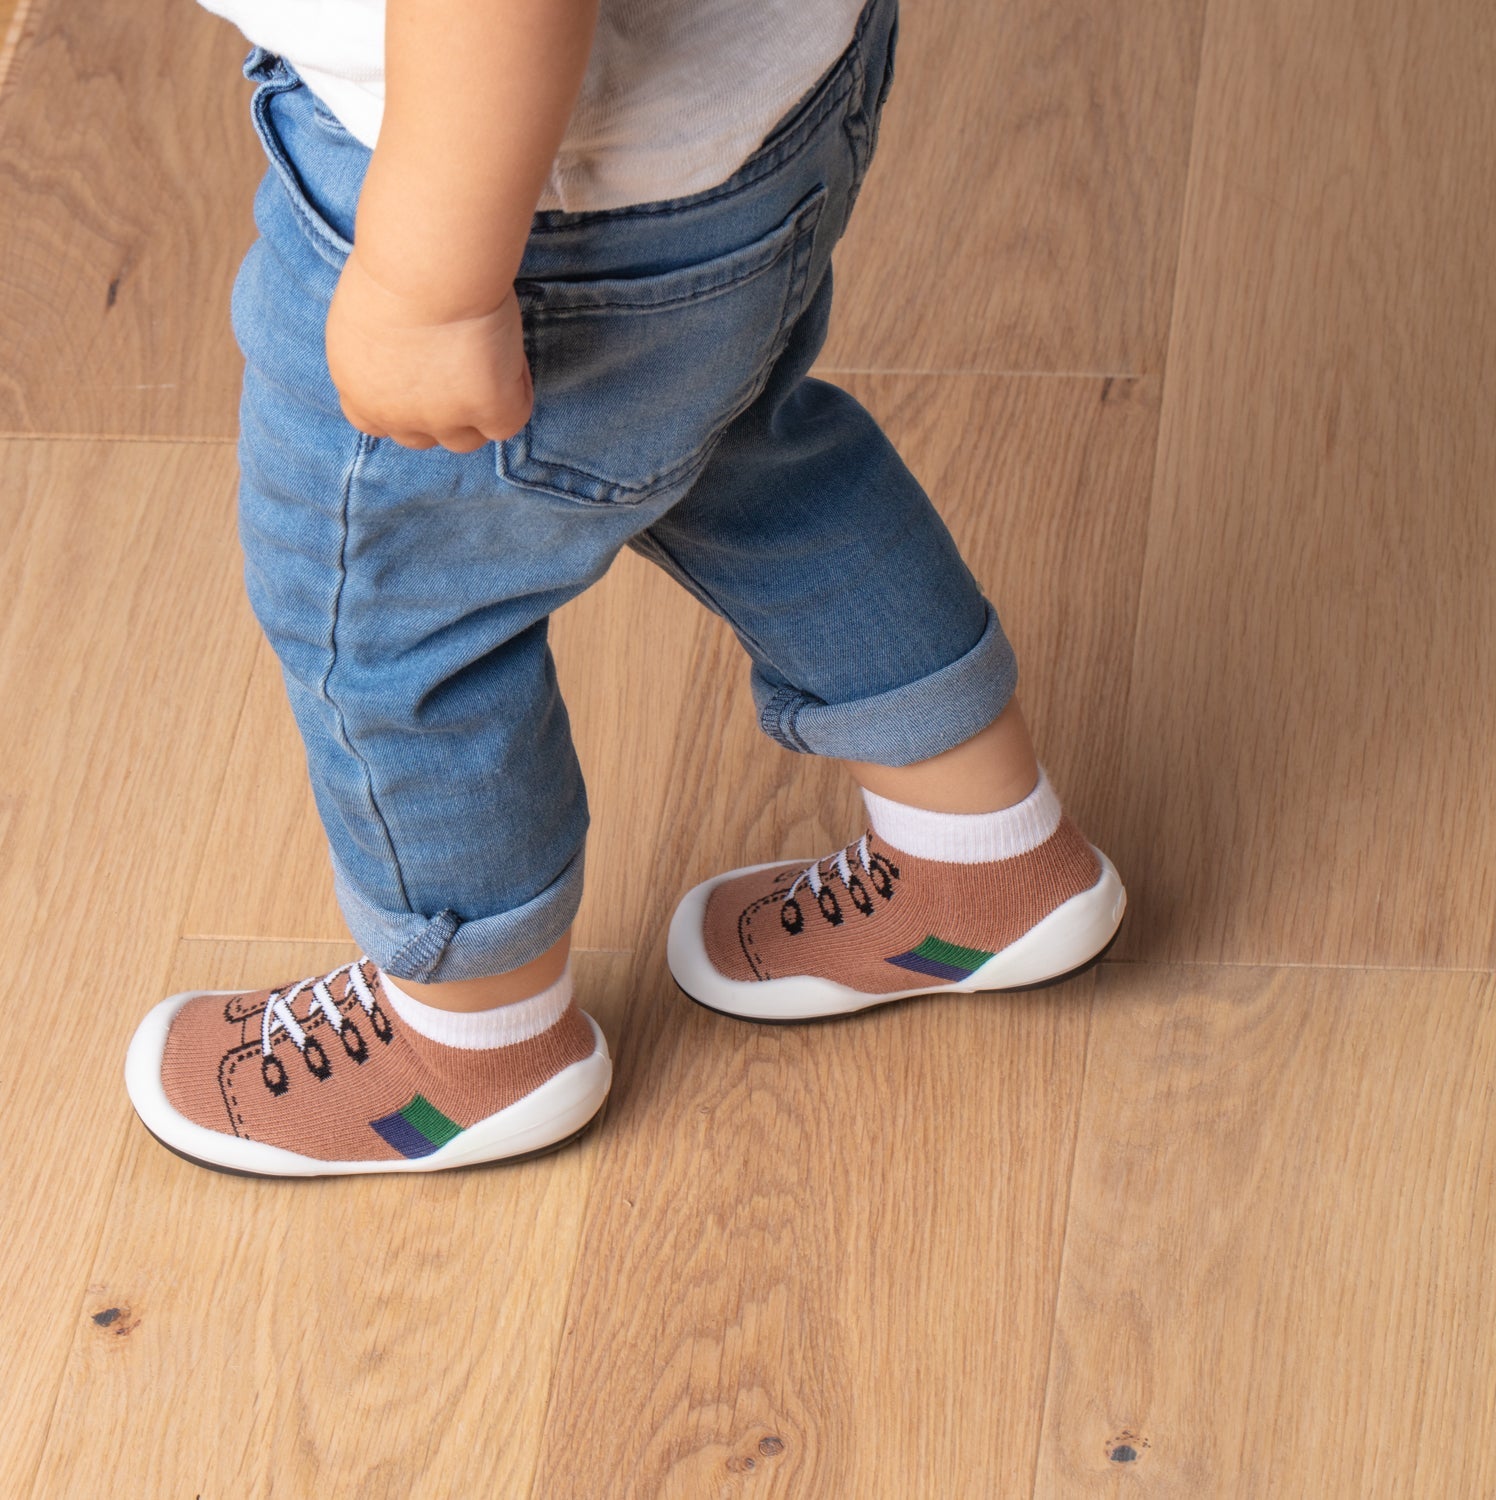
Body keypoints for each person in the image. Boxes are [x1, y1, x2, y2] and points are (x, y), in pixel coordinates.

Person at [124, 0, 1126, 1176]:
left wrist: (429, 287)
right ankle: (982, 841)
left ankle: (469, 1047)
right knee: (735, 446)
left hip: (498, 188)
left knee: (387, 608)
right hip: (761, 105)